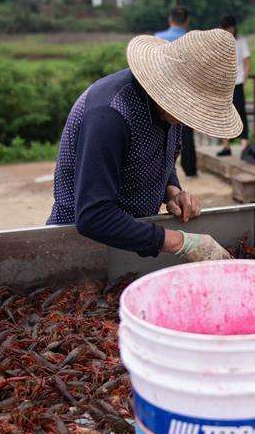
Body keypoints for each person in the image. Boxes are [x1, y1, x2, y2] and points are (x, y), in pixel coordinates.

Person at [47, 29, 243, 263]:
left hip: (137, 238)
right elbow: (93, 216)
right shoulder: (109, 114)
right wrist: (181, 243)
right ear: (167, 88)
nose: (186, 119)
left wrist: (172, 191)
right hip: (84, 250)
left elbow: (161, 155)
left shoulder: (170, 113)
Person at [155, 6, 198, 178]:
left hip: (161, 94)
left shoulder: (157, 39)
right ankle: (190, 168)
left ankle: (160, 174)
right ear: (187, 21)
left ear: (169, 19)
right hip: (187, 93)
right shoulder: (191, 40)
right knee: (186, 131)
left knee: (160, 133)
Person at [216, 15, 251, 157]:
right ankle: (226, 146)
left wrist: (245, 78)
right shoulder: (219, 42)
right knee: (223, 114)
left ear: (233, 28)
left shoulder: (241, 41)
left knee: (240, 112)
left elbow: (247, 61)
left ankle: (244, 145)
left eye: (228, 28)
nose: (226, 30)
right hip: (223, 84)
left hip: (237, 82)